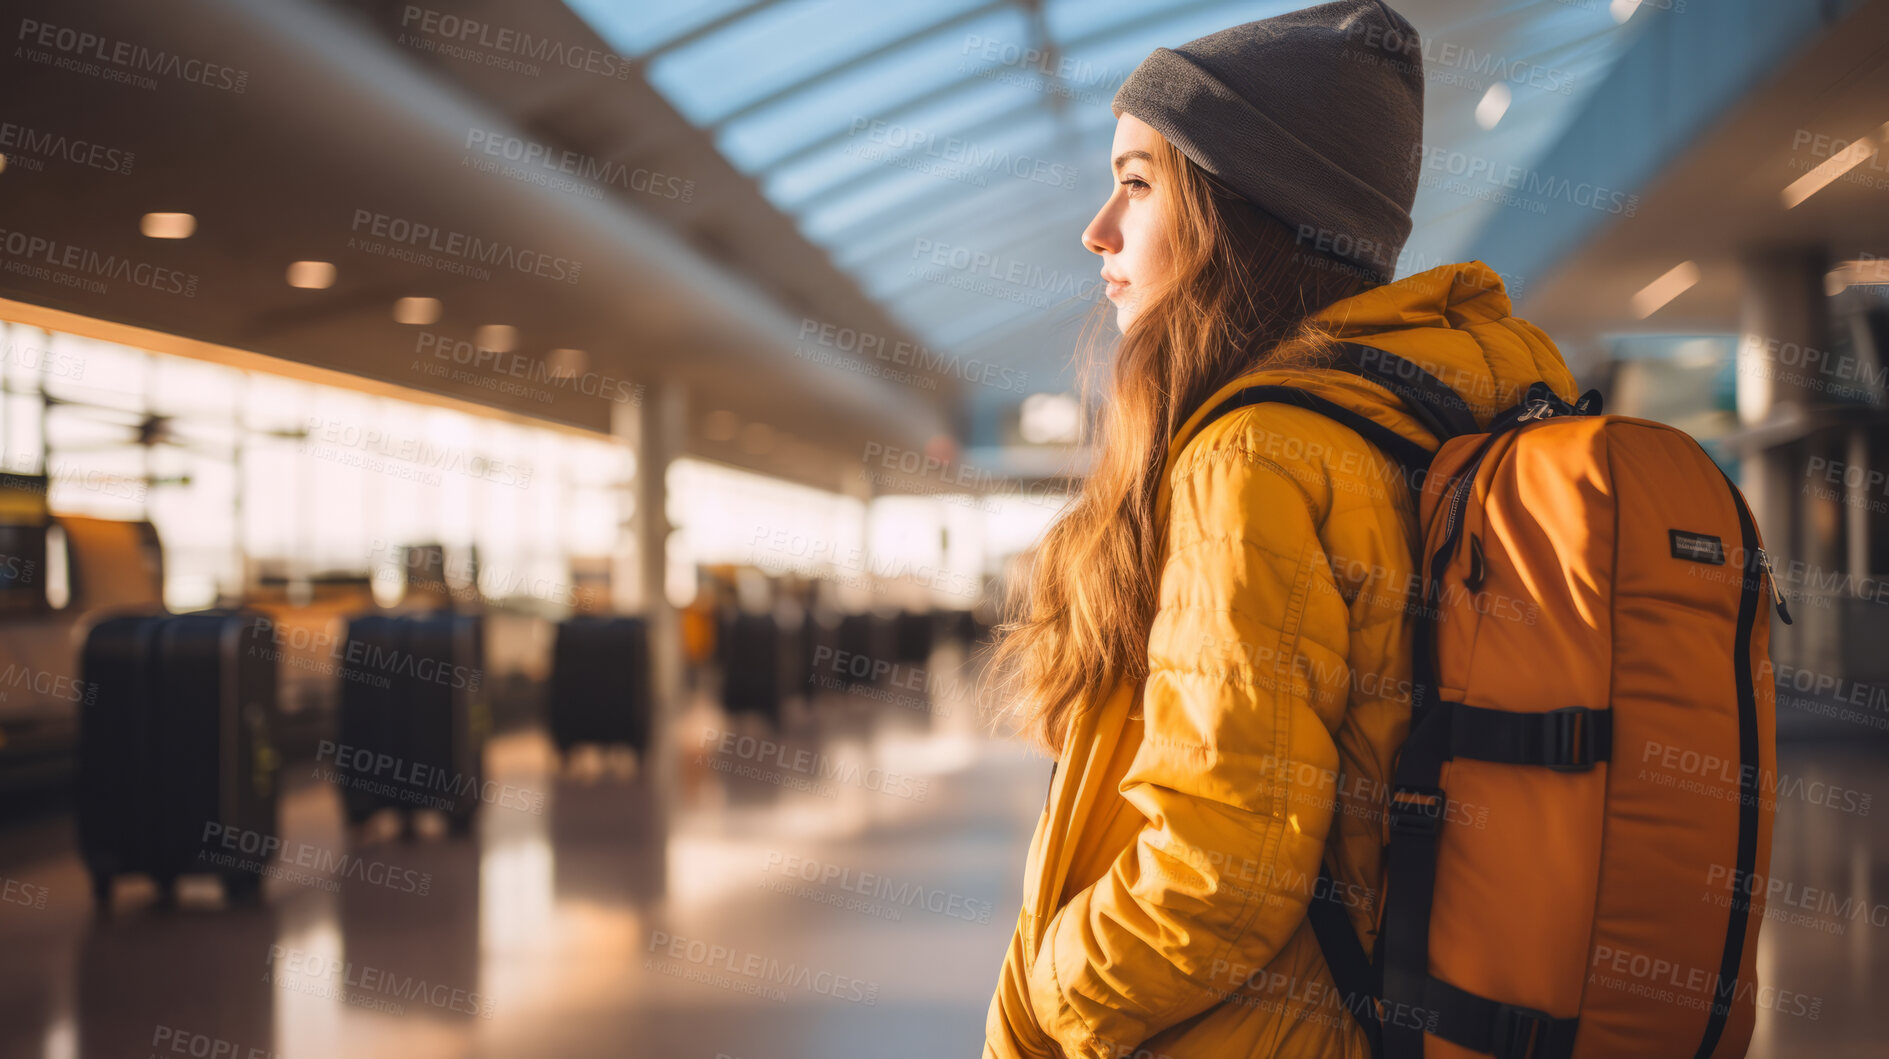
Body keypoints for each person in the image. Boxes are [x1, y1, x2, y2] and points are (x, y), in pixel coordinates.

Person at [982, 2, 1580, 1056]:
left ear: (1239, 211)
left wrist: (1046, 996)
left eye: (1134, 182)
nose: (1096, 231)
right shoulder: (1434, 424)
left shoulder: (1255, 457)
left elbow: (1220, 873)